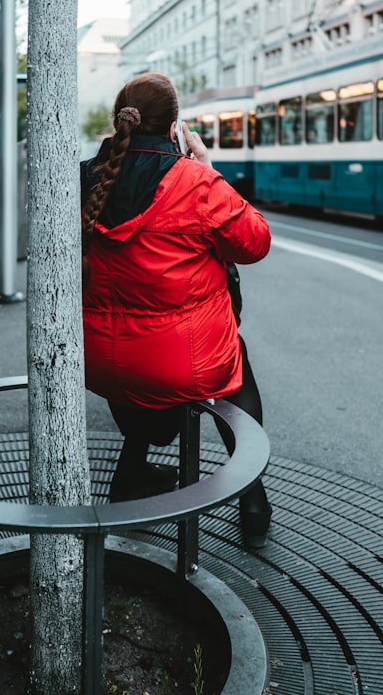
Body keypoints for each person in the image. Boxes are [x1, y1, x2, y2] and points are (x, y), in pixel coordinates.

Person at [80, 72, 273, 547]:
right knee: (233, 359)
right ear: (174, 128)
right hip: (181, 364)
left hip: (99, 363)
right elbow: (255, 243)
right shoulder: (195, 181)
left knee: (137, 348)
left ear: (119, 122)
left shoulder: (87, 176)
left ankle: (132, 476)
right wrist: (208, 167)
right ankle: (252, 497)